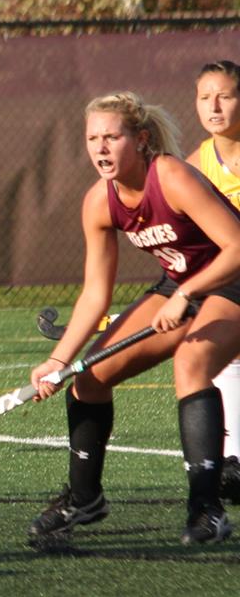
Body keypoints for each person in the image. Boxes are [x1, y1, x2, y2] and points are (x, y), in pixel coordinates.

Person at [29, 91, 240, 547]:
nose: (100, 148)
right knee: (90, 377)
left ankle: (208, 511)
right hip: (182, 286)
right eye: (92, 139)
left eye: (112, 137)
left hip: (232, 282)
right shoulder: (98, 203)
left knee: (192, 364)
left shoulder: (172, 176)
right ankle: (84, 499)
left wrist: (186, 292)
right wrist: (58, 360)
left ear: (141, 139)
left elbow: (238, 247)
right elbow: (95, 295)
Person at [186, 60, 240, 501]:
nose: (215, 106)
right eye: (206, 97)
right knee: (218, 354)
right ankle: (232, 463)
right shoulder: (195, 167)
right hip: (232, 285)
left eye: (225, 95)